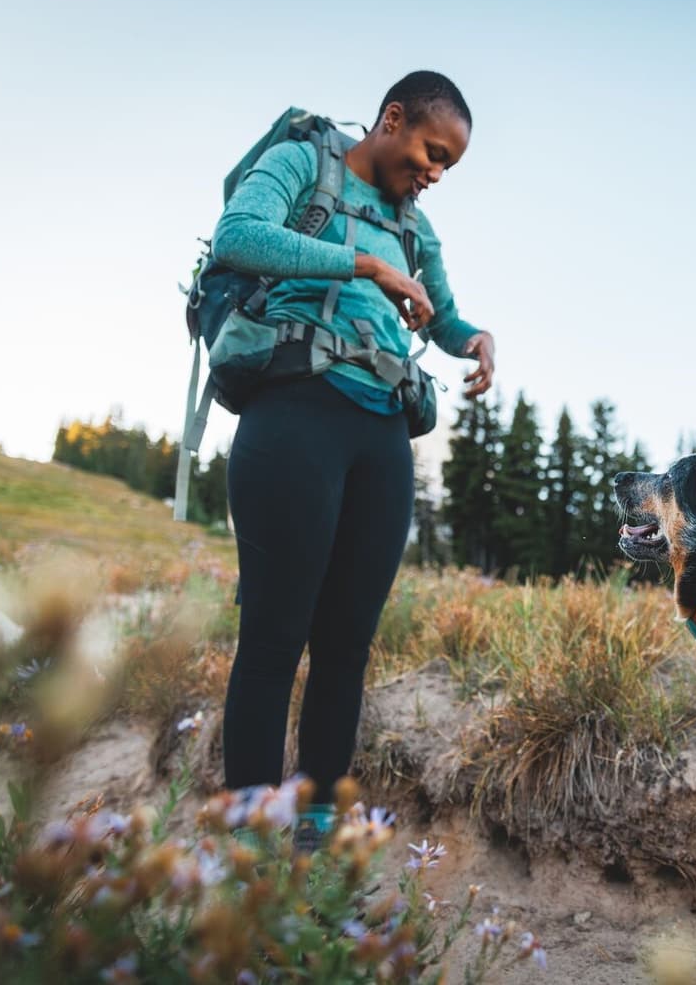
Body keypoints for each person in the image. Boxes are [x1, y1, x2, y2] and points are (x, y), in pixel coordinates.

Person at [209, 70, 495, 849]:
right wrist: (363, 265)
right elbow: (240, 234)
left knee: (345, 648)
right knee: (273, 639)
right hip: (294, 407)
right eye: (432, 152)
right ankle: (250, 850)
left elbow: (441, 313)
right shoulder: (306, 160)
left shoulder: (415, 225)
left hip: (382, 430)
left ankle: (315, 842)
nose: (434, 174)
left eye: (448, 167)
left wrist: (473, 340)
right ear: (392, 119)